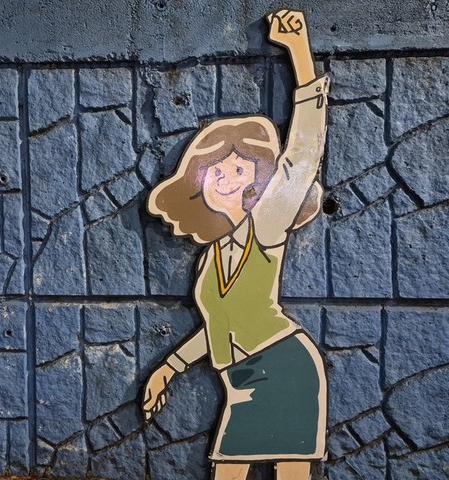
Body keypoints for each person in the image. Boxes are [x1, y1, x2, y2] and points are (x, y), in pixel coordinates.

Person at [143, 9, 329, 480]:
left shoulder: (265, 226)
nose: (225, 178)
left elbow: (302, 158)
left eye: (239, 168)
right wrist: (169, 367)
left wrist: (300, 55)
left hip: (284, 368)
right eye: (216, 169)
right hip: (240, 382)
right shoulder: (211, 257)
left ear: (257, 180)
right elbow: (219, 325)